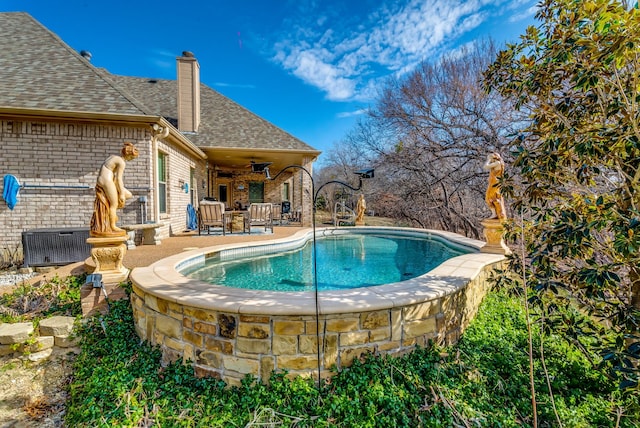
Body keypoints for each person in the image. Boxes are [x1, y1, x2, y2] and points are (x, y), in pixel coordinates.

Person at [90, 142, 139, 236]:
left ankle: (112, 214)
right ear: (128, 155)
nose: (131, 160)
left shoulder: (113, 157)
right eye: (132, 158)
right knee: (114, 203)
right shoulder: (121, 162)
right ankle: (113, 226)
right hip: (106, 180)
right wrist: (120, 194)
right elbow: (118, 178)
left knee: (128, 194)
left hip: (106, 179)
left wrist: (122, 192)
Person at [483, 152, 507, 221]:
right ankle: (495, 213)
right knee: (490, 198)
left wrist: (489, 160)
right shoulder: (499, 163)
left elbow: (485, 166)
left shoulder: (497, 163)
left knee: (490, 197)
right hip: (494, 183)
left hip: (494, 184)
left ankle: (495, 214)